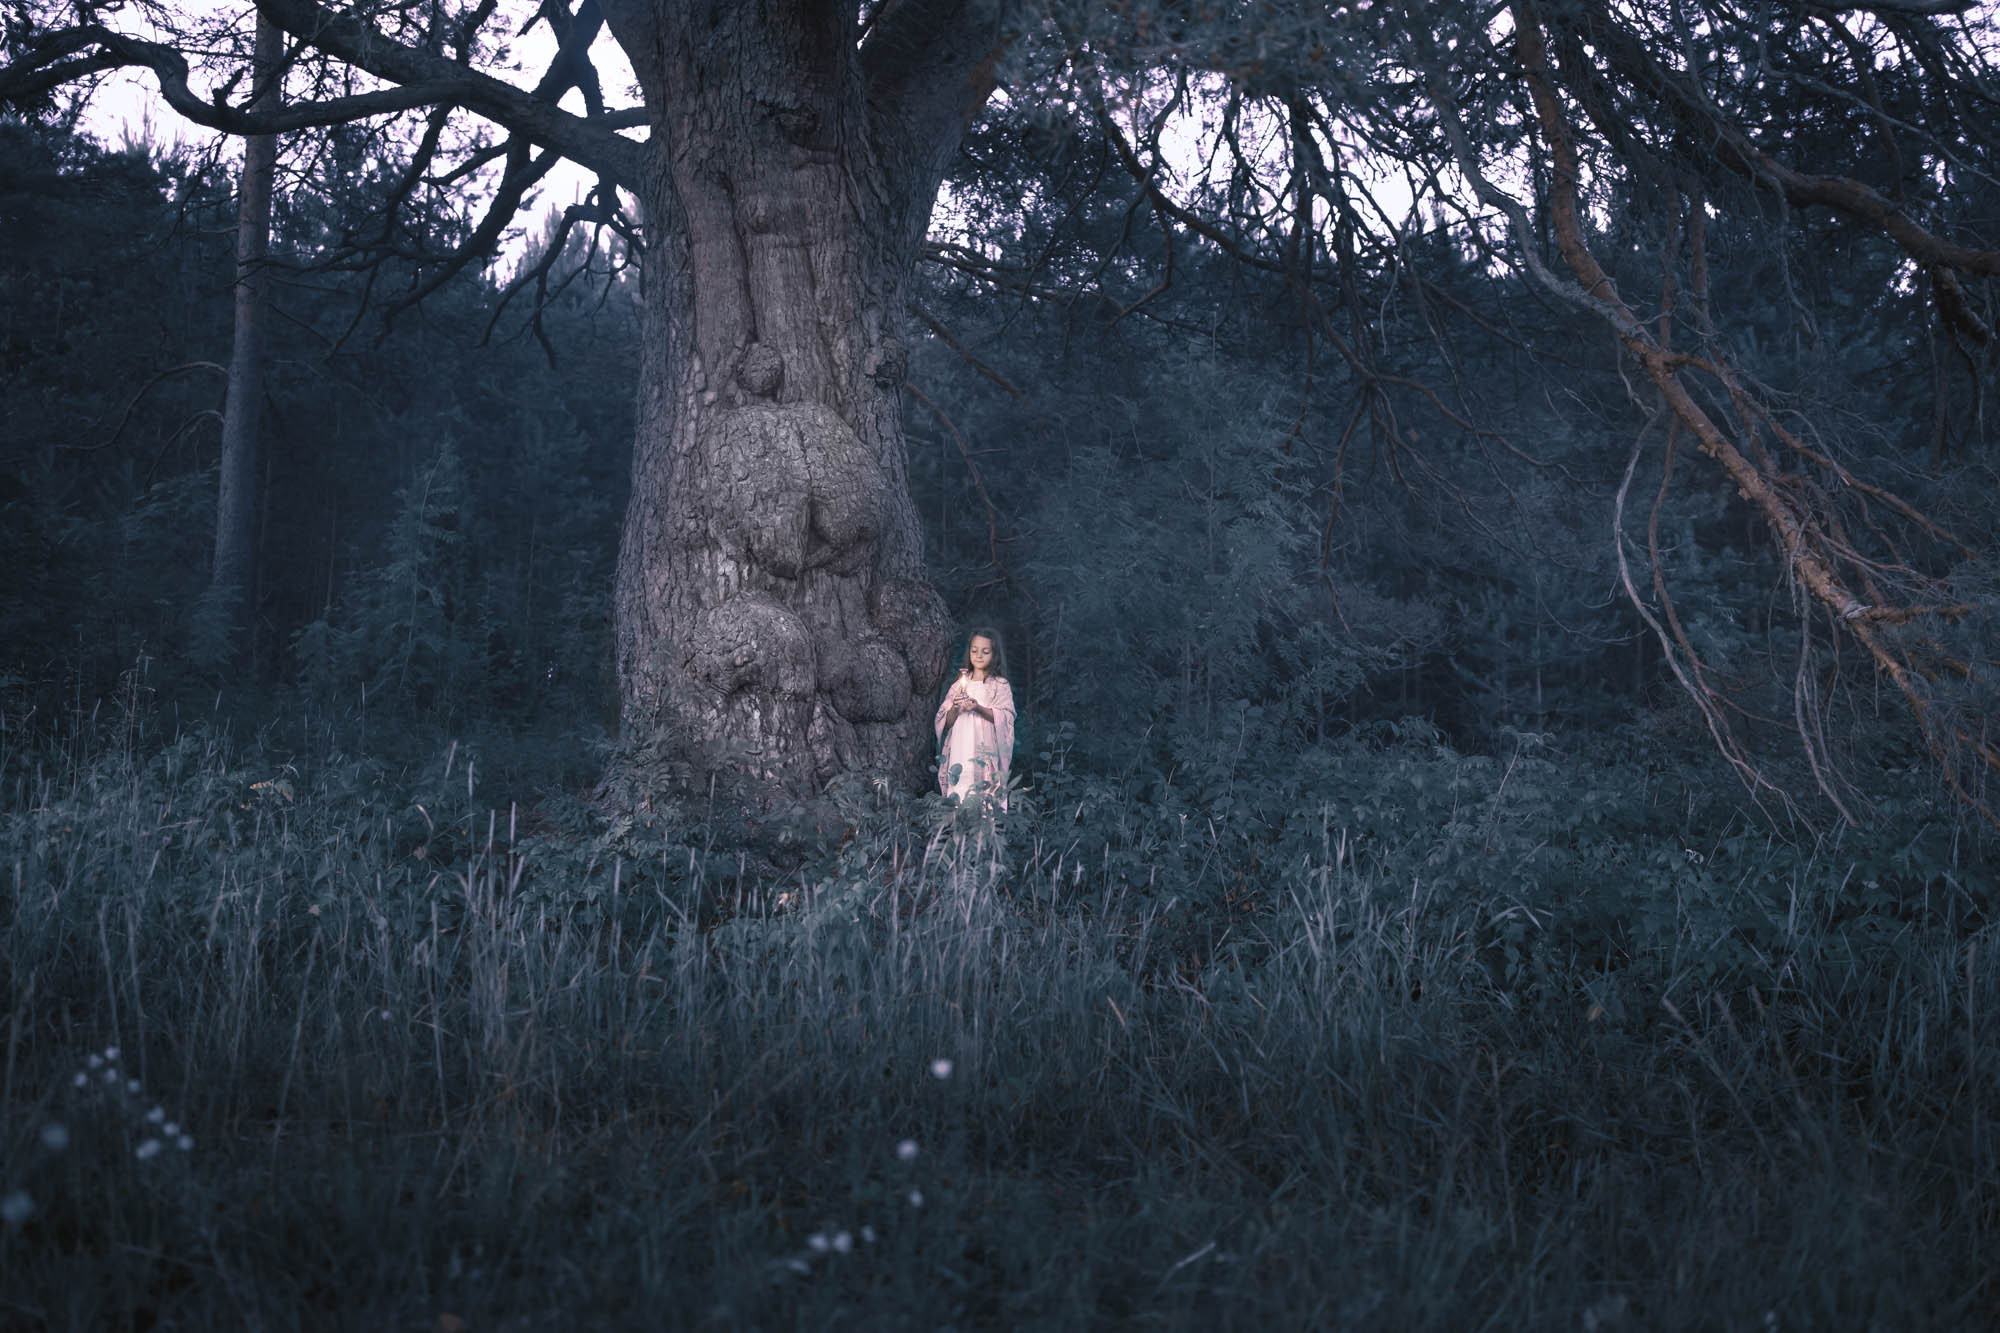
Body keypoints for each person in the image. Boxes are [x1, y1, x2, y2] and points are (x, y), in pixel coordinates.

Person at [934, 628, 1015, 806]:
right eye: (974, 650)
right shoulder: (958, 686)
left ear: (994, 654)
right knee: (960, 784)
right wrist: (955, 709)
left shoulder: (999, 685)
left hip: (983, 746)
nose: (978, 655)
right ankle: (959, 826)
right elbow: (944, 722)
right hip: (960, 745)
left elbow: (1006, 717)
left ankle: (984, 829)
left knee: (982, 788)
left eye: (985, 651)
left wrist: (977, 707)